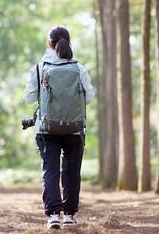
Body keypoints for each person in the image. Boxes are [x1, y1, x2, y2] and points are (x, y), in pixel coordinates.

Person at [23, 26, 95, 229]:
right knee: (72, 171)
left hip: (46, 129)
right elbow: (89, 98)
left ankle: (53, 215)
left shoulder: (39, 68)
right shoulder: (79, 68)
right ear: (69, 43)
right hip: (74, 128)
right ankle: (70, 215)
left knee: (50, 170)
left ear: (49, 44)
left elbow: (29, 98)